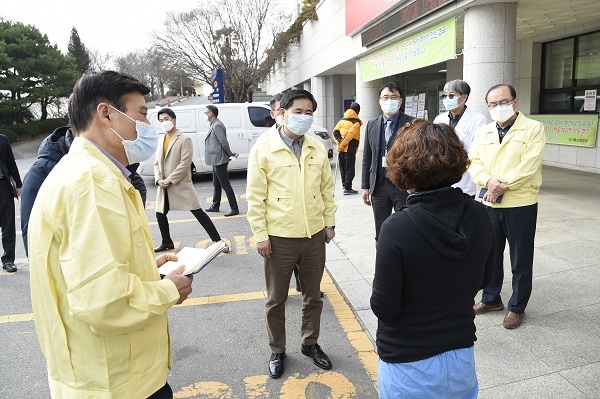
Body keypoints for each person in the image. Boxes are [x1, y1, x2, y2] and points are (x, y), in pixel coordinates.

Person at [28, 70, 194, 398]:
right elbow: (105, 303)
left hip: (105, 375)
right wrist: (168, 290)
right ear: (106, 114)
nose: (148, 125)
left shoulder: (86, 174)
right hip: (117, 383)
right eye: (142, 113)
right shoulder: (92, 183)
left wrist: (150, 267)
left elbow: (93, 270)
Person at [371, 120, 495, 399]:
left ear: (402, 168)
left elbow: (385, 308)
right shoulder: (479, 213)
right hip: (461, 356)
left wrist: (379, 282)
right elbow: (485, 279)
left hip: (408, 363)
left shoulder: (397, 228)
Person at [246, 89, 338, 379]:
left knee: (314, 296)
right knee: (276, 299)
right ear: (282, 113)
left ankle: (310, 343)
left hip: (313, 237)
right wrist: (261, 235)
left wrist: (329, 222)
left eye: (309, 112)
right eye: (298, 112)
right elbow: (255, 196)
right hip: (279, 238)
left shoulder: (316, 147)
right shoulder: (263, 148)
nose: (304, 117)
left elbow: (326, 190)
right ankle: (277, 349)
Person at [469, 84, 546, 329]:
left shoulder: (534, 129)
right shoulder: (484, 132)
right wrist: (488, 182)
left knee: (520, 258)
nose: (498, 107)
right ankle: (491, 298)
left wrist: (500, 185)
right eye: (492, 104)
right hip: (489, 202)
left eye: (503, 102)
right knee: (490, 254)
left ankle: (517, 306)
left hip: (520, 202)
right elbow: (473, 162)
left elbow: (529, 165)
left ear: (515, 101)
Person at [20, 125, 147, 256]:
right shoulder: (43, 171)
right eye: (141, 113)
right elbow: (34, 240)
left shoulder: (126, 174)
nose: (145, 124)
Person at [154, 107, 228, 253]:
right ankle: (167, 241)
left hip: (180, 184)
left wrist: (170, 179)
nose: (164, 123)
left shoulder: (184, 139)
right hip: (163, 186)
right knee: (160, 213)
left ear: (173, 120)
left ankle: (219, 242)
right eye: (161, 120)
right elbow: (157, 163)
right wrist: (158, 180)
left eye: (166, 119)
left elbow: (185, 164)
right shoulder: (161, 139)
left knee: (198, 212)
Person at [361, 82, 414, 240]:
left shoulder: (411, 123)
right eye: (386, 97)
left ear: (400, 101)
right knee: (381, 229)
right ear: (379, 101)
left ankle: (406, 260)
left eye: (394, 97)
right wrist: (365, 186)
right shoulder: (372, 124)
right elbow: (367, 157)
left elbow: (417, 155)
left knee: (406, 227)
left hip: (403, 185)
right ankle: (384, 259)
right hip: (379, 185)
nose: (389, 101)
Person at [433, 79, 487, 197]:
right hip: (441, 179)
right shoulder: (439, 119)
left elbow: (476, 150)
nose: (447, 99)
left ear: (464, 97)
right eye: (445, 96)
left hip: (464, 180)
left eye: (451, 96)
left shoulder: (478, 119)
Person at [204, 105, 239, 217]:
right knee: (216, 184)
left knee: (225, 185)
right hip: (215, 159)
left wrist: (229, 153)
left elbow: (223, 142)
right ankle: (215, 205)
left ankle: (234, 208)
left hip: (219, 159)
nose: (204, 114)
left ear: (211, 113)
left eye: (206, 112)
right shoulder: (213, 124)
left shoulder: (217, 125)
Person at [0, 133, 21, 273]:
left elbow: (10, 162)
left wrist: (18, 184)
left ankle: (9, 260)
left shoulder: (2, 139)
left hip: (2, 185)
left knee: (8, 223)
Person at [332, 102, 362, 195]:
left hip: (341, 150)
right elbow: (349, 136)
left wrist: (339, 143)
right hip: (349, 149)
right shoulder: (356, 122)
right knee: (350, 169)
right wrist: (341, 145)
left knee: (343, 168)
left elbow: (334, 132)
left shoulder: (342, 120)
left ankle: (345, 186)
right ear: (357, 111)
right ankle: (348, 188)